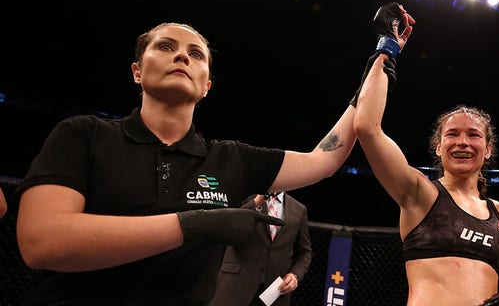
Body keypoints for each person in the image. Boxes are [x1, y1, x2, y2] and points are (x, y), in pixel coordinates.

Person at [13, 21, 359, 305]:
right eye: (165, 47)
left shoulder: (229, 158)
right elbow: (41, 242)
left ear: (206, 86)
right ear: (136, 71)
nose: (181, 56)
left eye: (196, 54)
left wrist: (382, 57)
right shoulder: (83, 134)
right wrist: (196, 224)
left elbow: (325, 159)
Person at [352, 6, 499, 306]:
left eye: (474, 135)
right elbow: (367, 127)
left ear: (489, 149)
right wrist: (386, 50)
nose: (463, 142)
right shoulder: (420, 194)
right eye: (452, 134)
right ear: (439, 147)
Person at [210, 192, 312, 306]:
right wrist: (256, 202)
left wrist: (295, 275)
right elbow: (229, 227)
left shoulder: (299, 209)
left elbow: (305, 252)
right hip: (236, 284)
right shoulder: (245, 195)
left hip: (274, 291)